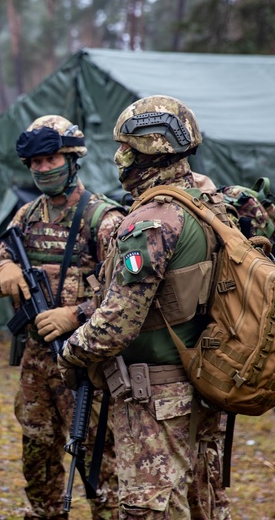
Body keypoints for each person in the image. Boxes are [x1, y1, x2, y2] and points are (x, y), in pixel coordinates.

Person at [57, 96, 231, 520]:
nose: (119, 159)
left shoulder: (151, 221)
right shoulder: (209, 204)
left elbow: (118, 321)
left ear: (150, 151)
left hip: (157, 396)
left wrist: (71, 352)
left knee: (147, 509)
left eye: (127, 149)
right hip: (205, 383)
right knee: (200, 503)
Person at [0, 115, 124, 520]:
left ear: (73, 159)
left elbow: (126, 297)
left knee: (99, 462)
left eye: (51, 160)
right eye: (36, 163)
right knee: (37, 453)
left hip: (87, 366)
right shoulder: (25, 217)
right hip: (36, 364)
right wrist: (1, 274)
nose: (44, 169)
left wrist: (74, 315)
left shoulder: (103, 220)